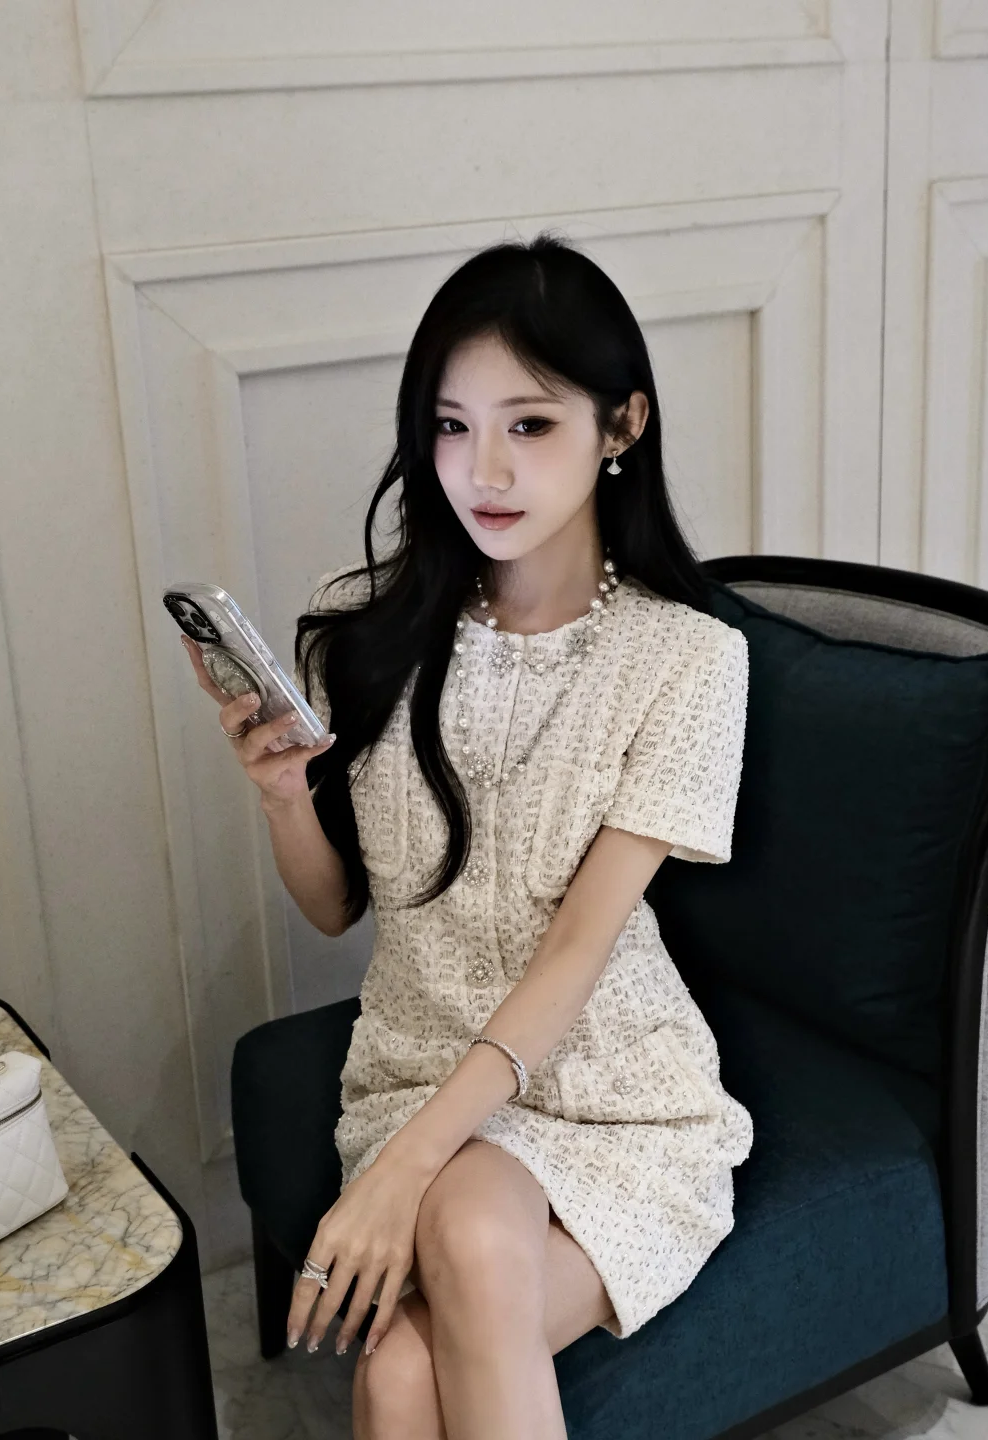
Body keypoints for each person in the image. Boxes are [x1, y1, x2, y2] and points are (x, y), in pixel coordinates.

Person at [183, 231, 753, 1440]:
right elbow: (336, 909)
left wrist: (401, 1177)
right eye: (451, 425)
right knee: (423, 1327)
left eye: (529, 424)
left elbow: (578, 954)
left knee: (415, 1344)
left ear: (622, 425)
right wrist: (282, 793)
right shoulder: (364, 626)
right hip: (415, 1073)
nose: (481, 469)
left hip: (612, 1092)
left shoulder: (689, 659)